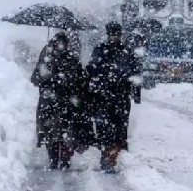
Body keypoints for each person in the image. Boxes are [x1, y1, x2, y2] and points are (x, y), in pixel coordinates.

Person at [30, 32, 92, 170]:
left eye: (64, 43)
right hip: (49, 102)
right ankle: (53, 158)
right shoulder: (46, 58)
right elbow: (35, 78)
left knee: (67, 131)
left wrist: (73, 83)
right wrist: (48, 78)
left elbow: (79, 79)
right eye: (59, 43)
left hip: (66, 102)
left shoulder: (71, 60)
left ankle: (65, 158)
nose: (62, 46)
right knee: (50, 132)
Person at [86, 22, 141, 173]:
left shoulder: (126, 52)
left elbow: (135, 73)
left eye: (116, 34)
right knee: (105, 129)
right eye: (112, 34)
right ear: (108, 34)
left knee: (119, 129)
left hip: (120, 97)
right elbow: (92, 69)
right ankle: (107, 158)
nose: (114, 37)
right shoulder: (101, 50)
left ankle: (112, 158)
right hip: (104, 96)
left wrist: (136, 93)